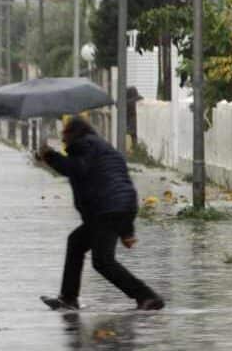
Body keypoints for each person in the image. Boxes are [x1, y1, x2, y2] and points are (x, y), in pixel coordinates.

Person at [37, 117, 165, 311]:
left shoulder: (84, 146)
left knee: (103, 261)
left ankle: (147, 296)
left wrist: (50, 156)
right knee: (76, 242)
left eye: (65, 136)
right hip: (117, 207)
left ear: (74, 134)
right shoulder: (99, 147)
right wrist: (126, 231)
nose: (63, 141)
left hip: (106, 210)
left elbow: (76, 169)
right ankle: (68, 298)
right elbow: (118, 185)